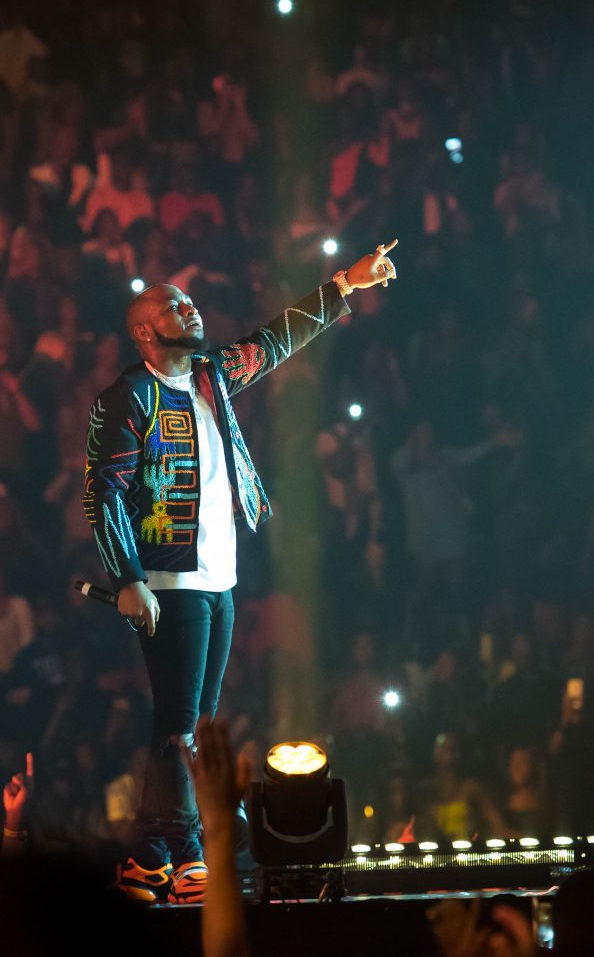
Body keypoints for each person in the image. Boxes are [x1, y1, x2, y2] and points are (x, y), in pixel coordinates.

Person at [83, 239, 399, 903]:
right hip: (170, 582)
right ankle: (191, 852)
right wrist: (129, 576)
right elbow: (103, 491)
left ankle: (147, 856)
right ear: (145, 329)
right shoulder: (129, 397)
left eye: (190, 300)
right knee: (181, 726)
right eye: (174, 303)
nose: (190, 307)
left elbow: (274, 341)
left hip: (218, 576)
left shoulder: (209, 375)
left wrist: (345, 284)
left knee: (185, 720)